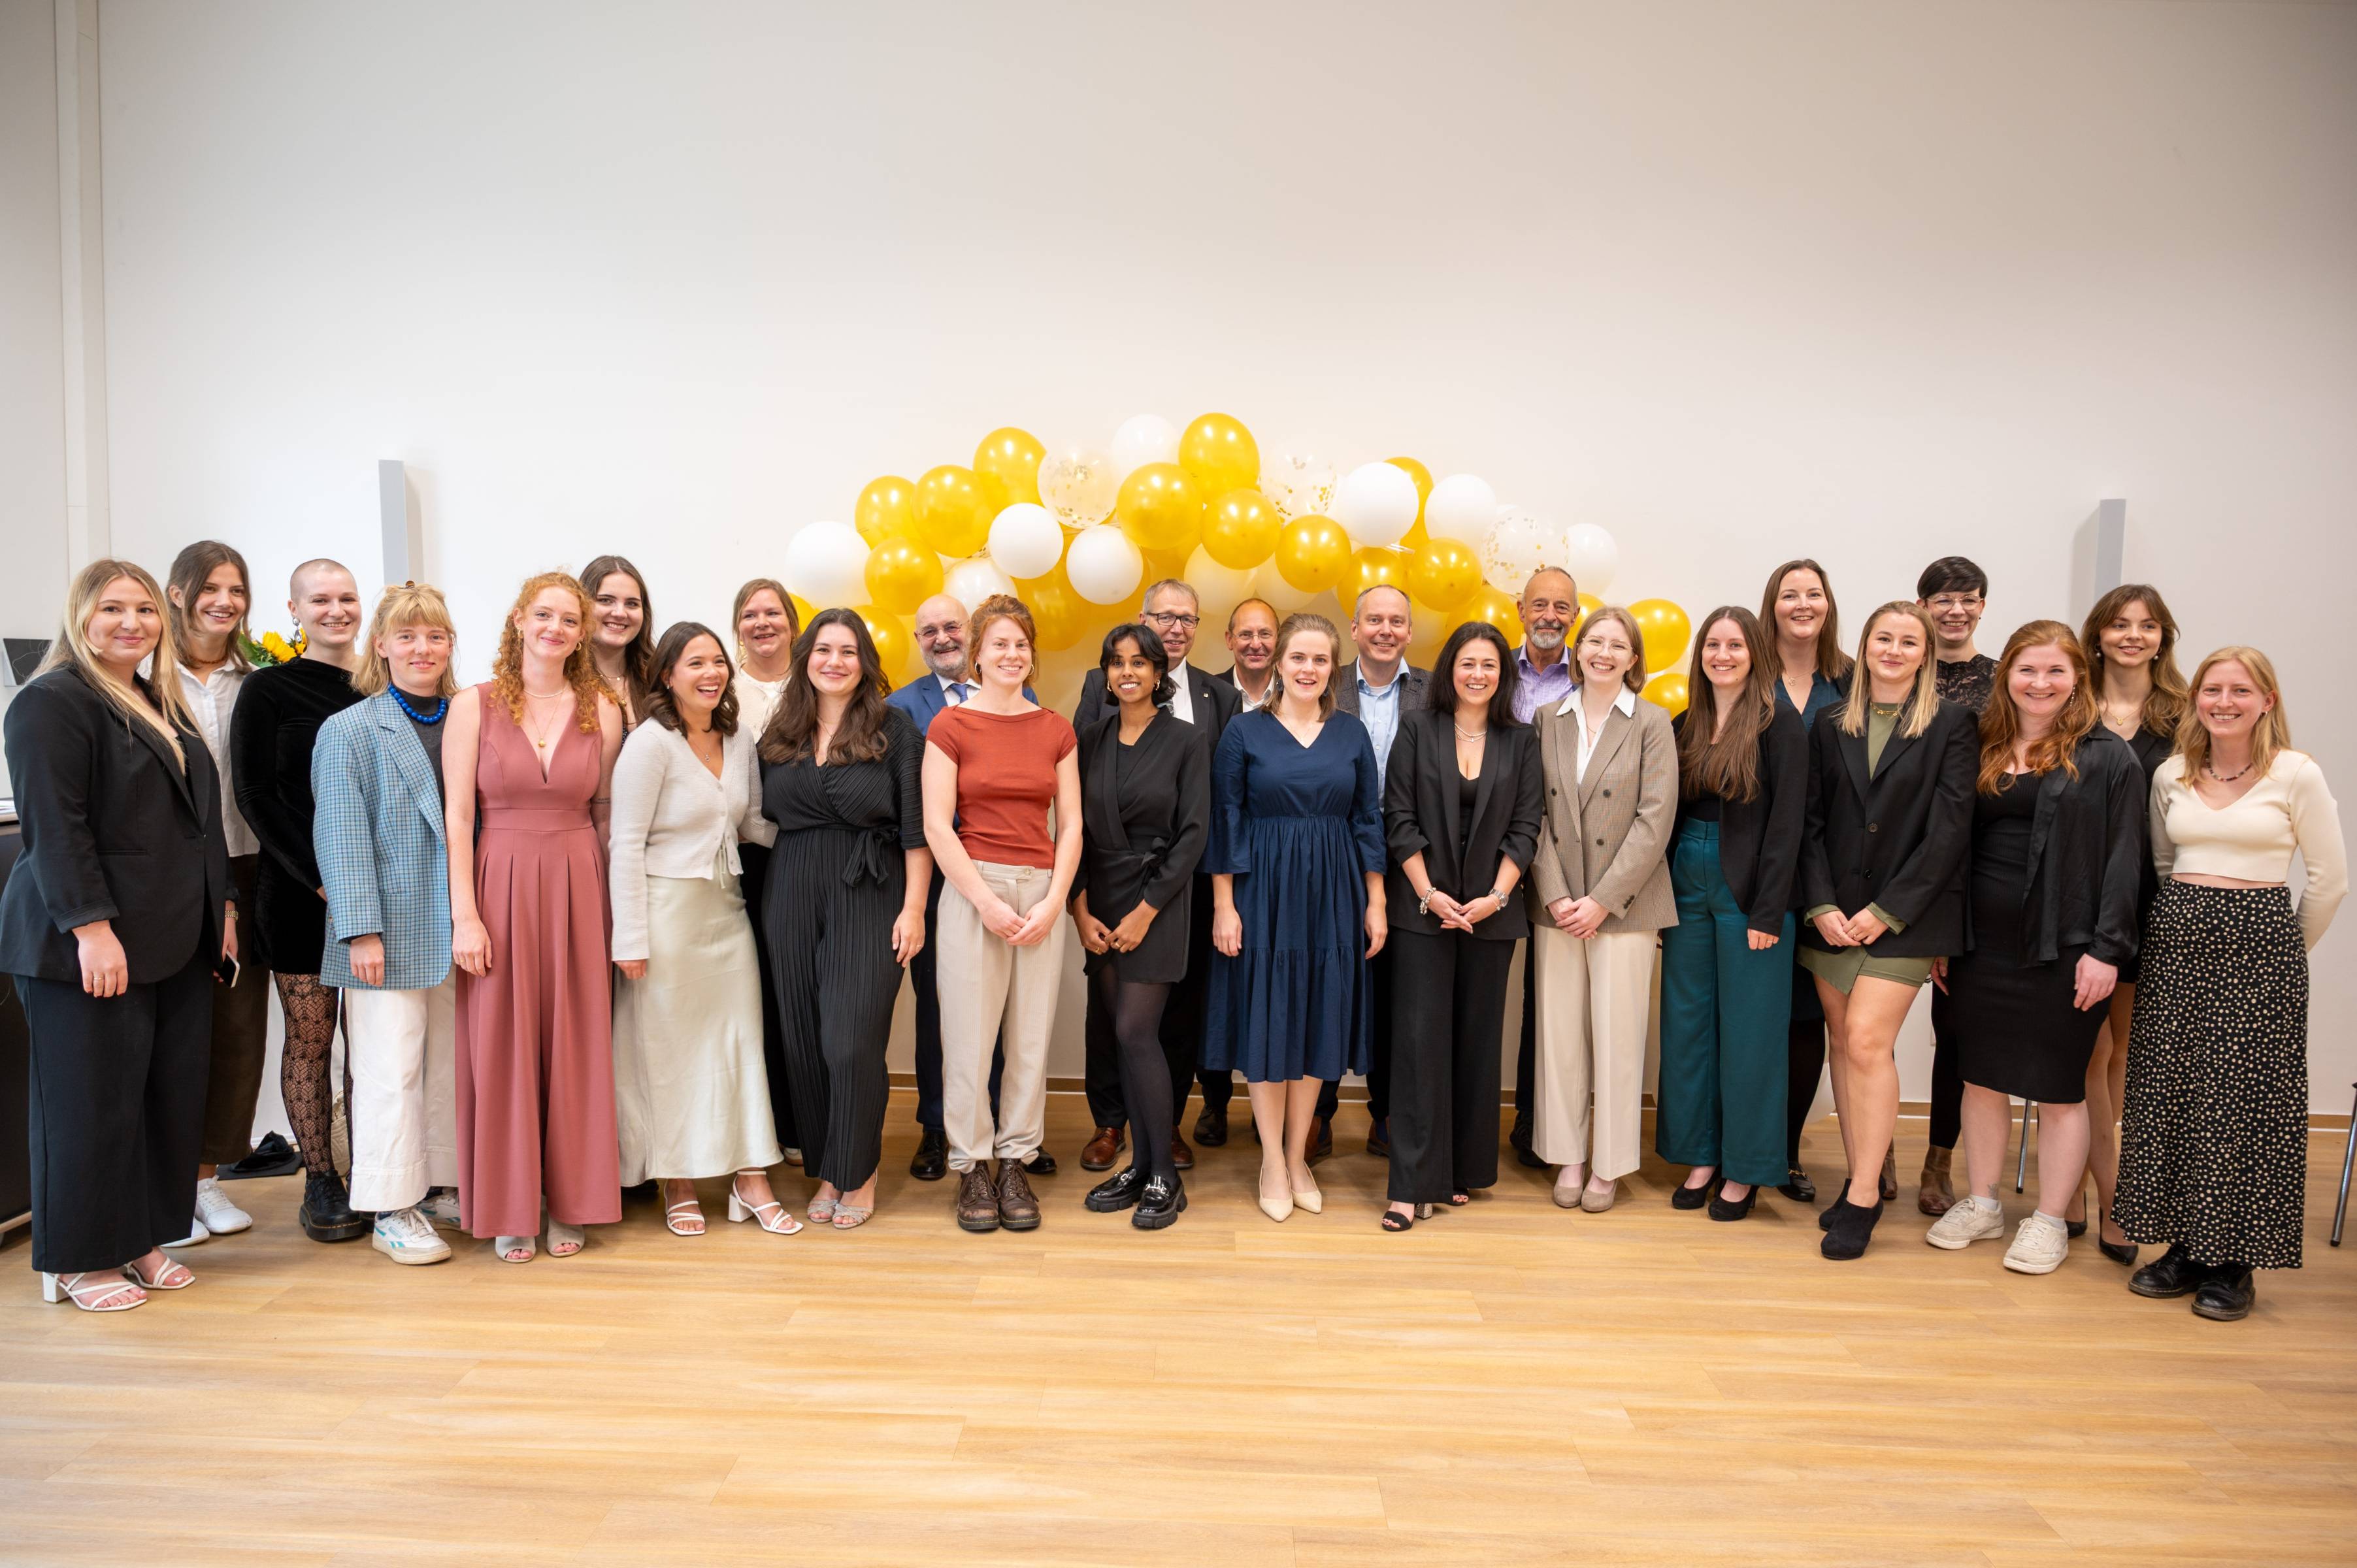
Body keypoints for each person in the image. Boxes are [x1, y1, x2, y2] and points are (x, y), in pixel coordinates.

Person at [2, 561, 233, 1311]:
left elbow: (199, 823)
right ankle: (79, 1259)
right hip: (88, 942)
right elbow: (55, 828)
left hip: (174, 934)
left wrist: (222, 910)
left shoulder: (156, 698)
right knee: (89, 1104)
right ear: (81, 617)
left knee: (161, 1099)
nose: (132, 622)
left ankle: (138, 1237)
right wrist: (91, 929)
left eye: (144, 609)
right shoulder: (51, 703)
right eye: (112, 608)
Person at [2117, 647, 2345, 1322]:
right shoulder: (2171, 774)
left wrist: (2279, 954)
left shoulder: (2296, 773)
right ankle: (2184, 1247)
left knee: (2243, 1105)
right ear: (2195, 700)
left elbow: (2329, 881)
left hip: (2260, 955)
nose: (2223, 702)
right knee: (2172, 1096)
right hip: (2175, 952)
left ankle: (2233, 1262)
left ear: (2266, 700)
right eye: (2211, 689)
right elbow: (2164, 863)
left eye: (2240, 690)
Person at [1924, 622, 2143, 1275]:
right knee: (1979, 1079)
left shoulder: (2107, 757)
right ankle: (1983, 1203)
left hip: (2067, 948)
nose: (2039, 683)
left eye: (2054, 671)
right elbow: (1953, 845)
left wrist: (2106, 952)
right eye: (2027, 670)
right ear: (2006, 676)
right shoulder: (1982, 742)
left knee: (2059, 1089)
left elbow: (2124, 864)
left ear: (2076, 677)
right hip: (1980, 946)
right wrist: (1944, 936)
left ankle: (2049, 1220)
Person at [444, 572, 626, 1263]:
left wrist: (618, 912)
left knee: (578, 1042)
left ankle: (573, 1201)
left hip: (581, 880)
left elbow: (606, 813)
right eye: (544, 615)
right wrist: (465, 916)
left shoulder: (602, 708)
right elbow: (458, 817)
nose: (556, 628)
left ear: (582, 634)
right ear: (519, 620)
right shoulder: (473, 704)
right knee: (502, 1044)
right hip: (499, 882)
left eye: (569, 620)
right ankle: (511, 1206)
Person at [1800, 602, 1977, 1260]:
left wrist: (1887, 910)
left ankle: (1863, 1197)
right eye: (1883, 638)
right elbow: (1808, 824)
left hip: (1906, 918)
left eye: (1908, 641)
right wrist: (1820, 904)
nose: (1894, 650)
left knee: (1868, 1041)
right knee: (1842, 1044)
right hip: (1832, 917)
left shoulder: (1952, 724)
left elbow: (1949, 832)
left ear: (1925, 654)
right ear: (1865, 645)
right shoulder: (1829, 724)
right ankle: (1861, 1178)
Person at [610, 623, 791, 1236]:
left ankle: (750, 1176)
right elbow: (625, 844)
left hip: (726, 910)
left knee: (739, 1045)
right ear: (666, 675)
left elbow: (755, 824)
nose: (711, 673)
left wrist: (824, 840)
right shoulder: (648, 744)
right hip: (666, 917)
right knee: (671, 1053)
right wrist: (629, 939)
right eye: (695, 663)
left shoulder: (738, 739)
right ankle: (678, 1179)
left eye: (717, 661)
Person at [1205, 612, 1387, 1224]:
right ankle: (1270, 1162)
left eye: (1320, 659)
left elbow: (1367, 819)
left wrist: (1376, 901)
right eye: (1298, 658)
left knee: (1316, 1017)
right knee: (1269, 1016)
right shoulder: (1243, 731)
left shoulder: (1351, 733)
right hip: (1262, 891)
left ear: (1332, 667)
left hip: (1334, 891)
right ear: (1279, 663)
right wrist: (1224, 905)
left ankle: (1297, 1154)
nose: (1308, 669)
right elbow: (1226, 817)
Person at [760, 610, 932, 1229]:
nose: (835, 662)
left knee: (850, 1039)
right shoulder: (779, 731)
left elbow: (917, 830)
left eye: (848, 651)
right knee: (804, 1038)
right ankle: (830, 1166)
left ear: (865, 663)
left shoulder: (895, 728)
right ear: (805, 657)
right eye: (824, 650)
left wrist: (914, 909)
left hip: (870, 888)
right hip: (791, 888)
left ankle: (859, 1172)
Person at [312, 582, 467, 1266]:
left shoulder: (468, 718)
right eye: (406, 636)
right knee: (388, 1069)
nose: (421, 648)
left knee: (449, 1064)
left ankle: (438, 1185)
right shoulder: (348, 730)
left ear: (450, 645)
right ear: (380, 646)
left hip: (461, 923)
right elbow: (340, 837)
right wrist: (360, 931)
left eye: (434, 635)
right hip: (388, 927)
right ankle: (389, 1208)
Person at [924, 596, 1081, 1233]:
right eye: (999, 645)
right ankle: (971, 1167)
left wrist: (1053, 903)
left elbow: (1071, 826)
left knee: (1029, 1039)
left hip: (1040, 893)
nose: (1011, 655)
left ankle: (1016, 1160)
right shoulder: (951, 726)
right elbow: (937, 826)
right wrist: (985, 902)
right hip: (973, 892)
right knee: (968, 1040)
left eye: (1021, 645)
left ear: (1031, 655)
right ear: (978, 655)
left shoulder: (1055, 729)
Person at [1379, 622, 1541, 1231]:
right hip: (1422, 910)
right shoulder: (1417, 728)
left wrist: (1495, 897)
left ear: (1504, 675)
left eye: (1489, 665)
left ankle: (1457, 1171)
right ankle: (1408, 1187)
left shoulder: (1521, 740)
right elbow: (1398, 817)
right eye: (1467, 663)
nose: (1477, 674)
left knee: (1476, 1044)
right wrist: (1428, 894)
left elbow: (1526, 826)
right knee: (1418, 1046)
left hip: (1490, 917)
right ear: (1450, 669)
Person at [1071, 579, 1238, 1172]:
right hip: (1102, 892)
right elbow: (1074, 818)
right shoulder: (1091, 730)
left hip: (1172, 892)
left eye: (1138, 663)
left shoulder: (1211, 709)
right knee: (1113, 1025)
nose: (1127, 671)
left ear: (1158, 669)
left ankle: (1160, 1146)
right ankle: (1115, 1129)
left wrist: (1152, 908)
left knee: (1165, 1019)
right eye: (1117, 662)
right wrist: (1078, 906)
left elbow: (1203, 819)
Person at [229, 557, 366, 1243]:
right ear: (294, 610)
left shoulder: (383, 683)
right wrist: (322, 878)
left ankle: (379, 1171)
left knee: (373, 1044)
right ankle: (321, 1179)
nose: (336, 610)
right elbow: (254, 795)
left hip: (377, 893)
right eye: (320, 599)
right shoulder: (268, 689)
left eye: (347, 598)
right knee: (312, 1039)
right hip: (299, 889)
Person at [1655, 607, 1807, 1222]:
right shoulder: (1683, 723)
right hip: (1684, 882)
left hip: (1750, 891)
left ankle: (1744, 1168)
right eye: (1712, 645)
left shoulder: (1779, 723)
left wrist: (1768, 912)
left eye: (1735, 645)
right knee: (1687, 1025)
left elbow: (1788, 825)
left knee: (1750, 1033)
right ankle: (1700, 1155)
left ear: (1755, 655)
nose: (1722, 655)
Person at [1527, 606, 1677, 1213]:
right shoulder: (1546, 718)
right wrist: (1557, 894)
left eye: (1617, 645)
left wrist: (1601, 901)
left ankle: (1609, 1164)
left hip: (1625, 907)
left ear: (1633, 659)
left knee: (1618, 1039)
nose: (1603, 653)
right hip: (1558, 904)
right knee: (1559, 1036)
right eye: (1594, 641)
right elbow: (1532, 813)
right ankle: (1567, 1154)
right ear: (1577, 650)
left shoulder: (1652, 721)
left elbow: (1655, 818)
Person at [886, 591, 1030, 1181]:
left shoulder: (1020, 694)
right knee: (940, 1011)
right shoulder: (900, 708)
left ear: (970, 633)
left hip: (1008, 876)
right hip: (936, 881)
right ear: (918, 642)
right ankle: (936, 1128)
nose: (942, 638)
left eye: (951, 627)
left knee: (1004, 1010)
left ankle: (1000, 1131)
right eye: (929, 631)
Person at [2072, 583, 2188, 1264]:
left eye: (2146, 626)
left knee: (2127, 1055)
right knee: (2087, 1054)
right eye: (2119, 624)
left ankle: (2111, 1184)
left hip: (2155, 899)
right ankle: (2106, 1195)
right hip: (2080, 898)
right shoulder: (2072, 705)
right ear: (2098, 635)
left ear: (2162, 637)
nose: (2132, 636)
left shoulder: (2184, 716)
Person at [163, 541, 265, 1241]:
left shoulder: (255, 681)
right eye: (210, 589)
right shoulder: (147, 677)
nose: (224, 602)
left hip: (249, 864)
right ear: (178, 593)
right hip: (173, 872)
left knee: (237, 1028)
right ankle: (164, 1185)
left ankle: (205, 1180)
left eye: (236, 590)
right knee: (174, 1026)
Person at [1760, 558, 1854, 1205]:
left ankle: (1787, 1152)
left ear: (1827, 604)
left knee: (1807, 1020)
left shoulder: (1852, 680)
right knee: (1754, 1017)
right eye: (1788, 594)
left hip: (1830, 880)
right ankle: (1747, 1144)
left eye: (1812, 594)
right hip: (1756, 875)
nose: (1801, 604)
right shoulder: (1749, 675)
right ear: (1771, 605)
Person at [1328, 583, 1429, 1159]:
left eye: (1396, 621)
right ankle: (1317, 1114)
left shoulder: (1433, 693)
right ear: (1355, 628)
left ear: (1409, 631)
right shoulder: (1325, 683)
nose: (1385, 630)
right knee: (1328, 980)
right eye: (1374, 620)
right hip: (1332, 854)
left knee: (1397, 991)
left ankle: (1387, 1111)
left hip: (1411, 860)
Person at [1913, 556, 1996, 1216]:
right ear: (1922, 607)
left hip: (1970, 870)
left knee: (1955, 1030)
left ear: (1981, 607)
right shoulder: (1895, 669)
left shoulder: (2001, 681)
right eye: (1942, 599)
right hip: (1887, 867)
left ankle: (1937, 1161)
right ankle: (1873, 1153)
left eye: (1966, 599)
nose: (1954, 610)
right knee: (1865, 1030)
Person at [1506, 566, 1582, 1169]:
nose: (1549, 616)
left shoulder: (1592, 674)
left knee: (1548, 998)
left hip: (1564, 857)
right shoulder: (1490, 670)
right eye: (1539, 605)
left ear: (1575, 616)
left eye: (1561, 607)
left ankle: (1537, 1125)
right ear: (1520, 609)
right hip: (1496, 852)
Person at [728, 578, 803, 1168]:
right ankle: (767, 1126)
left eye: (772, 613)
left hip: (808, 854)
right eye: (750, 614)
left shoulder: (816, 680)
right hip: (749, 860)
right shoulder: (723, 690)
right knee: (761, 993)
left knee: (801, 992)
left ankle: (804, 1121)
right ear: (738, 627)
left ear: (792, 623)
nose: (762, 623)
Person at [582, 554, 655, 730]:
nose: (620, 613)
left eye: (632, 604)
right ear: (581, 606)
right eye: (605, 601)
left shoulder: (659, 679)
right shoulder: (560, 680)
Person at [1220, 597, 1279, 712]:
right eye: (1246, 634)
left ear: (1279, 639)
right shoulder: (1210, 694)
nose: (1256, 645)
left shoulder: (1293, 693)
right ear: (1229, 640)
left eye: (1265, 634)